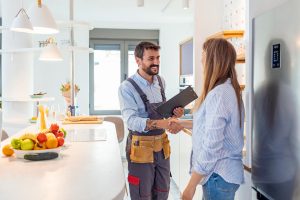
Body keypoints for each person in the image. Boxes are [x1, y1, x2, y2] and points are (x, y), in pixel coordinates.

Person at [170, 38, 245, 200]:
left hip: (217, 175)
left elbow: (212, 144)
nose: (201, 59)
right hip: (222, 176)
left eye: (203, 54)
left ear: (213, 59)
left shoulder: (219, 94)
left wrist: (191, 186)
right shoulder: (228, 89)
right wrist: (181, 123)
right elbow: (210, 126)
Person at [118, 41, 184, 200]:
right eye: (151, 58)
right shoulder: (127, 87)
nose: (156, 62)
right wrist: (162, 123)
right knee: (142, 193)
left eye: (158, 58)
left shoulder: (160, 82)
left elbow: (164, 114)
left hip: (162, 146)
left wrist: (175, 114)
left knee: (162, 191)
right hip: (140, 148)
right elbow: (131, 120)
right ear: (138, 60)